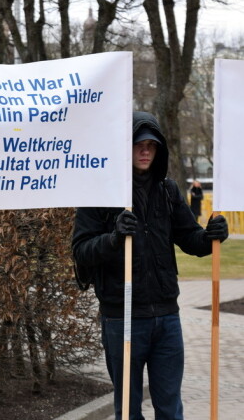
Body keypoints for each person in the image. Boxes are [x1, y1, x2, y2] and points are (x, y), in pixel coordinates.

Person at [71, 111, 228, 420]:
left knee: (170, 409)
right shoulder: (101, 194)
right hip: (122, 319)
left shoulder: (167, 191)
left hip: (168, 318)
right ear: (123, 147)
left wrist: (211, 237)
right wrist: (115, 238)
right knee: (128, 411)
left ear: (159, 150)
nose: (145, 151)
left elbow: (189, 238)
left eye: (151, 145)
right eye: (137, 144)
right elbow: (81, 251)